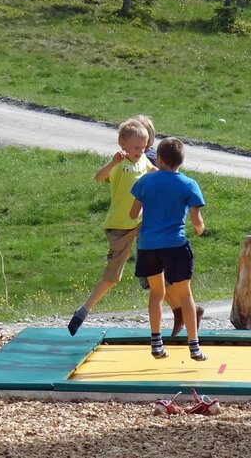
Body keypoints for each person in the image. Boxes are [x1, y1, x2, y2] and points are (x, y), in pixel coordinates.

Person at [68, 119, 157, 336]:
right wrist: (112, 163)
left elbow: (156, 171)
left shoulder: (144, 160)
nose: (141, 151)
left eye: (144, 147)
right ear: (122, 144)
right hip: (119, 226)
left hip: (140, 221)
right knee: (113, 276)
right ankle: (84, 310)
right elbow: (99, 177)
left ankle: (148, 276)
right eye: (137, 147)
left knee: (158, 261)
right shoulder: (119, 164)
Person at [130, 137, 207, 361]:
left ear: (160, 159)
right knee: (185, 294)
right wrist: (200, 229)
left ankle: (156, 343)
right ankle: (194, 346)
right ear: (181, 161)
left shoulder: (145, 181)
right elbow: (197, 222)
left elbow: (133, 214)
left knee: (156, 294)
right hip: (175, 245)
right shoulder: (189, 184)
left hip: (148, 245)